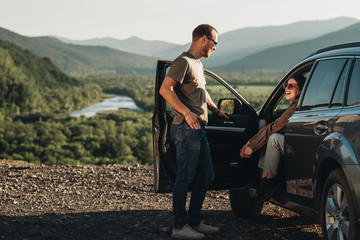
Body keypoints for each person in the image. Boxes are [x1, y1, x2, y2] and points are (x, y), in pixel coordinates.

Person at [159, 24, 228, 239]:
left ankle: (195, 222)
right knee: (185, 177)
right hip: (185, 128)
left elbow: (201, 92)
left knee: (207, 175)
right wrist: (187, 113)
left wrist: (216, 110)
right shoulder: (184, 62)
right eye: (214, 42)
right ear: (203, 39)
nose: (215, 47)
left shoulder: (197, 64)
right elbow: (165, 89)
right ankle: (180, 227)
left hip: (198, 129)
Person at [240, 75, 306, 202]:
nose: (286, 88)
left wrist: (252, 147)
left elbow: (275, 128)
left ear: (301, 89)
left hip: (301, 148)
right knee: (270, 137)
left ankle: (270, 182)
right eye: (285, 85)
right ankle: (264, 182)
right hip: (297, 144)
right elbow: (272, 126)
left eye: (291, 85)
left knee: (274, 138)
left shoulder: (297, 106)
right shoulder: (295, 105)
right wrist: (251, 142)